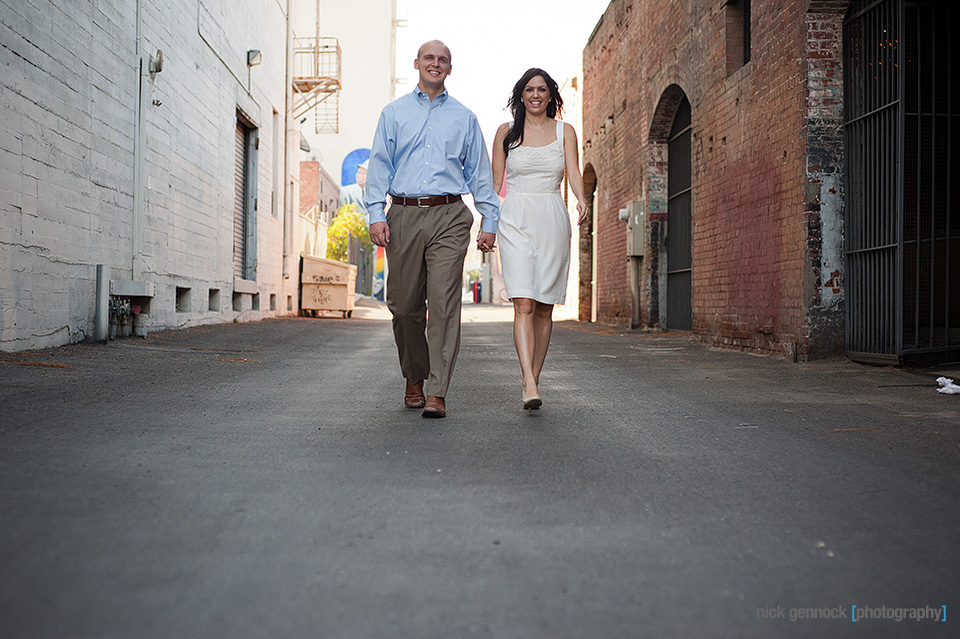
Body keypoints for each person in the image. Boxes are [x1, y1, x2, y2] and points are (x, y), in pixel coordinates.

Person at [365, 40, 499, 419]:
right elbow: (379, 165)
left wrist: (490, 220)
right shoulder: (394, 114)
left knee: (442, 305)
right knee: (405, 306)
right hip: (403, 214)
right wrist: (376, 213)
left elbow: (480, 174)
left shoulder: (464, 117)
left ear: (449, 69)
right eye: (429, 58)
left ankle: (437, 390)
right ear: (417, 64)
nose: (435, 64)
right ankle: (415, 377)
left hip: (449, 215)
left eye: (442, 60)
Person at [491, 68, 588, 411]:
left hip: (551, 216)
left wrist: (581, 197)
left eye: (542, 90)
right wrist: (486, 223)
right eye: (529, 89)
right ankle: (528, 382)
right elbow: (495, 181)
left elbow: (574, 171)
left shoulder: (566, 131)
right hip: (515, 216)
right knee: (524, 303)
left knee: (545, 307)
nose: (535, 95)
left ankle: (532, 377)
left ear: (550, 96)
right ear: (521, 95)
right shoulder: (505, 133)